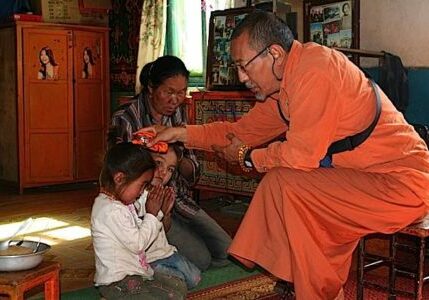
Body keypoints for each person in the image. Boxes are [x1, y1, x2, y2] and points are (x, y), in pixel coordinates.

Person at [139, 11, 429, 299]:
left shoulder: (315, 70)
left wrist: (248, 157)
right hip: (363, 180)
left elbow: (300, 156)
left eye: (244, 66)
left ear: (274, 54)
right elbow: (238, 133)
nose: (241, 77)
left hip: (404, 184)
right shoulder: (285, 86)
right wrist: (178, 133)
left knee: (290, 184)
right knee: (284, 184)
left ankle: (317, 290)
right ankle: (320, 288)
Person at [108, 55, 232, 271]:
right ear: (150, 88)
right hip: (146, 208)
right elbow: (120, 175)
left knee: (226, 251)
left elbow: (193, 174)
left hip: (180, 201)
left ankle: (170, 253)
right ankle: (158, 258)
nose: (176, 99)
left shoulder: (179, 116)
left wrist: (177, 155)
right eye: (169, 92)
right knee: (202, 259)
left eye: (182, 92)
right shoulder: (126, 118)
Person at [91, 142, 188, 299]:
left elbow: (143, 229)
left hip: (138, 273)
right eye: (142, 185)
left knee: (177, 289)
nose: (142, 191)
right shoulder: (110, 210)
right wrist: (152, 214)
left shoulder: (123, 203)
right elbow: (138, 245)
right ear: (119, 178)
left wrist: (160, 212)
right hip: (118, 281)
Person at [134, 144, 201, 289]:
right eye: (159, 163)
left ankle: (158, 281)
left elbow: (165, 228)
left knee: (194, 277)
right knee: (177, 284)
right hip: (148, 259)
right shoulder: (135, 197)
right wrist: (151, 213)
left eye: (170, 169)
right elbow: (137, 240)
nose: (164, 172)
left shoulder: (159, 193)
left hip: (166, 253)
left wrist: (165, 212)